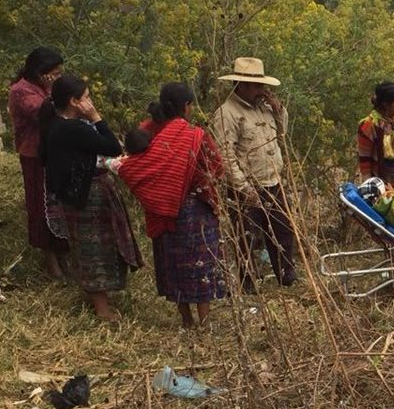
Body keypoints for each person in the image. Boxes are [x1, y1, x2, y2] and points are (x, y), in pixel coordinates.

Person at [114, 83, 226, 327]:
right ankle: (204, 321)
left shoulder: (147, 131)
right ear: (186, 106)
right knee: (199, 264)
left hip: (161, 211)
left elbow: (135, 165)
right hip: (193, 209)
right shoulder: (194, 134)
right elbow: (216, 167)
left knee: (173, 263)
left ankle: (185, 319)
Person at [39, 75, 142, 321]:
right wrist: (96, 117)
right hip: (88, 195)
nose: (90, 101)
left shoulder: (54, 124)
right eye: (86, 97)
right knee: (95, 248)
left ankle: (98, 299)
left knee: (85, 246)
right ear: (74, 101)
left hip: (73, 195)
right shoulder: (73, 128)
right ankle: (101, 308)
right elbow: (113, 147)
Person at [211, 57, 297, 291]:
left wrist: (279, 111)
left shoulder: (265, 107)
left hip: (273, 180)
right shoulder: (226, 113)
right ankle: (249, 282)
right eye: (257, 85)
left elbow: (282, 135)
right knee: (247, 236)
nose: (262, 90)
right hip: (246, 185)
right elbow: (225, 154)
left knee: (283, 230)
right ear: (242, 85)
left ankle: (285, 275)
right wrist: (243, 187)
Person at [7, 47, 68, 280]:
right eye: (55, 73)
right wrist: (55, 92)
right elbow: (47, 113)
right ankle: (50, 259)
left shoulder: (44, 87)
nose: (58, 77)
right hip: (34, 155)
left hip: (54, 153)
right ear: (41, 72)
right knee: (40, 205)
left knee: (58, 204)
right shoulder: (20, 91)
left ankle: (62, 251)